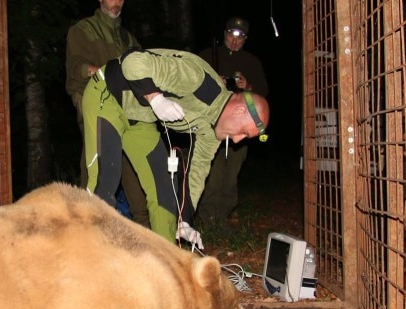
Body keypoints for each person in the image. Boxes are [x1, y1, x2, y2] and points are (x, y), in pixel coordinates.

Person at [82, 48, 270, 247]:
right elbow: (131, 61)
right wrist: (155, 98)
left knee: (164, 189)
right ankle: (90, 257)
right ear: (240, 110)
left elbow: (196, 176)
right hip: (107, 95)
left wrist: (185, 220)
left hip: (139, 119)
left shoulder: (212, 132)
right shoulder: (197, 80)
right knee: (106, 178)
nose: (238, 140)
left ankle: (166, 259)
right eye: (244, 132)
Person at [65, 0, 149, 226]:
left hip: (125, 107)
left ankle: (143, 226)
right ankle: (86, 225)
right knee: (97, 165)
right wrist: (98, 71)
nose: (117, 3)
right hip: (94, 102)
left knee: (134, 165)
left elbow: (143, 66)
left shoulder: (127, 37)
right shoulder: (83, 29)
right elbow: (75, 65)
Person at [194, 17, 269, 225]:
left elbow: (263, 92)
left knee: (231, 170)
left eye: (240, 37)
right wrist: (212, 81)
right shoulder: (208, 55)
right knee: (212, 170)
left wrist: (248, 86)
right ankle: (206, 214)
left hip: (240, 125)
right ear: (224, 33)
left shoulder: (251, 61)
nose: (234, 41)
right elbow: (192, 83)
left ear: (245, 39)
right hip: (212, 121)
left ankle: (225, 212)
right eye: (231, 35)